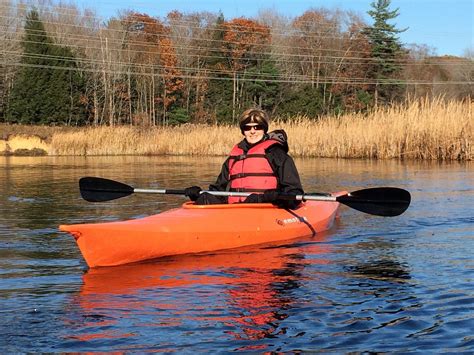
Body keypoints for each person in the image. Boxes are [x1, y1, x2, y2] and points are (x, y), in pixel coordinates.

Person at [184, 108, 304, 209]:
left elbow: (294, 193)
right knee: (205, 198)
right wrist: (198, 194)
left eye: (257, 127)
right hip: (236, 209)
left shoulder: (277, 154)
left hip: (265, 207)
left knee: (253, 200)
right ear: (243, 131)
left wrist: (274, 196)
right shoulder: (234, 157)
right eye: (248, 128)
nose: (252, 131)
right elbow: (218, 191)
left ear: (264, 129)